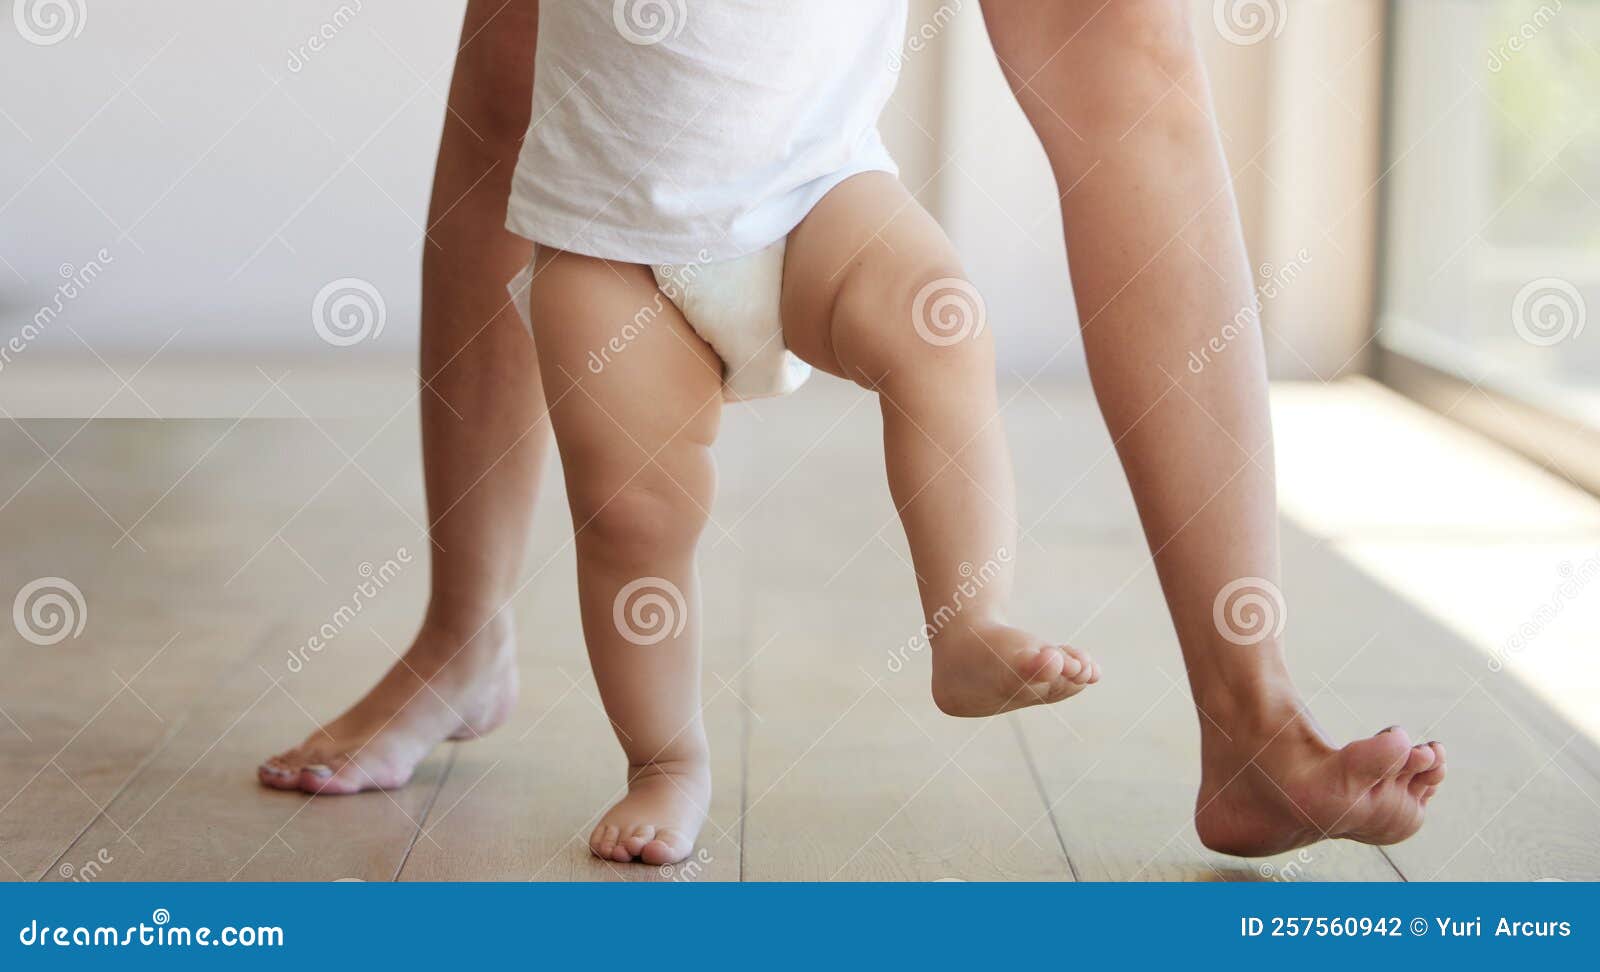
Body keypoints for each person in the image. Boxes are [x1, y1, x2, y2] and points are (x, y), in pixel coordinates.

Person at [260, 0, 1444, 866]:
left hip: (823, 190)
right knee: (629, 510)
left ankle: (1213, 707)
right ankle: (547, 687)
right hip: (602, 235)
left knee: (1095, 73)